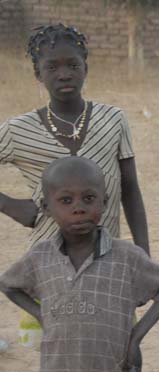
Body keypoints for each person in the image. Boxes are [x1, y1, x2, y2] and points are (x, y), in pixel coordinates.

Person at [0, 23, 149, 348]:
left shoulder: (113, 120)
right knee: (63, 363)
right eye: (52, 67)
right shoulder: (17, 130)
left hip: (108, 258)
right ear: (37, 74)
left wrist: (143, 256)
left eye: (72, 65)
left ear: (86, 68)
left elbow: (130, 189)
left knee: (124, 354)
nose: (64, 74)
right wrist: (11, 205)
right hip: (51, 266)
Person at [0, 157, 159, 372]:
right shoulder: (40, 256)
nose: (79, 208)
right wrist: (39, 312)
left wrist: (135, 337)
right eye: (66, 200)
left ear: (105, 202)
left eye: (89, 199)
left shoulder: (127, 257)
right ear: (45, 207)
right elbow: (9, 285)